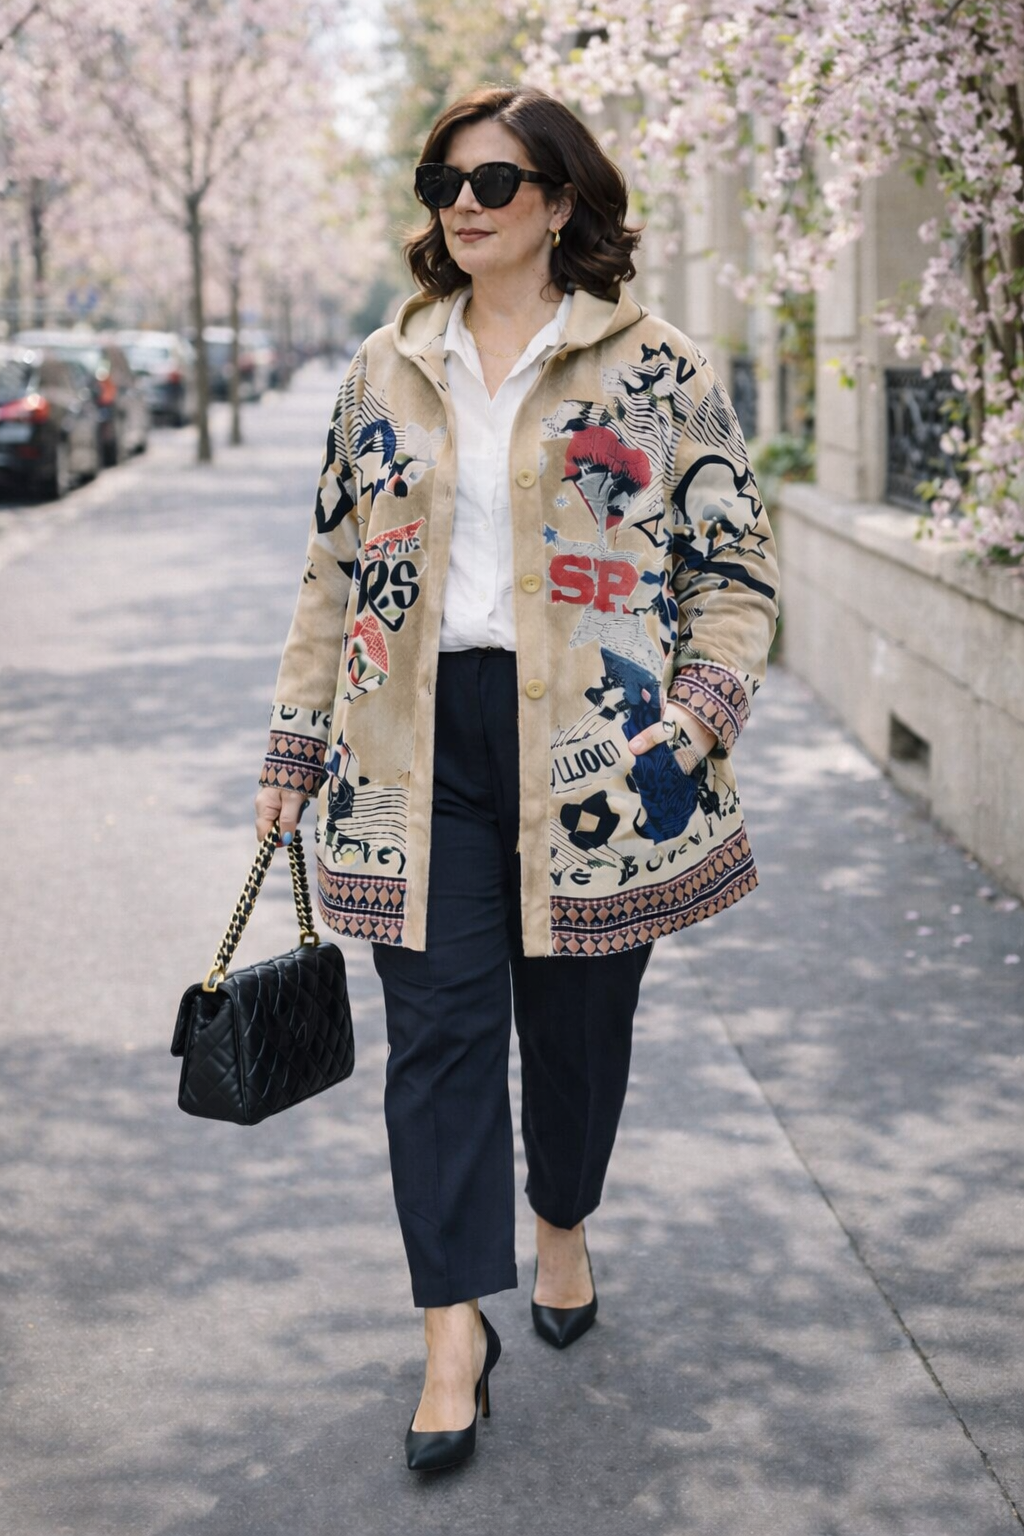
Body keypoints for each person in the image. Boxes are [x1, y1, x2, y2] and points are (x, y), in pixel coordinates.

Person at [255, 83, 778, 1472]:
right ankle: (449, 1330)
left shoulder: (656, 364)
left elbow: (731, 567)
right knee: (436, 1049)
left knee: (579, 1033)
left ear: (557, 200)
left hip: (597, 761)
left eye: (493, 183)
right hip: (410, 747)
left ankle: (560, 1221)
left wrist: (701, 715)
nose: (464, 206)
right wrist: (293, 745)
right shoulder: (385, 364)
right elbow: (333, 570)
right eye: (444, 182)